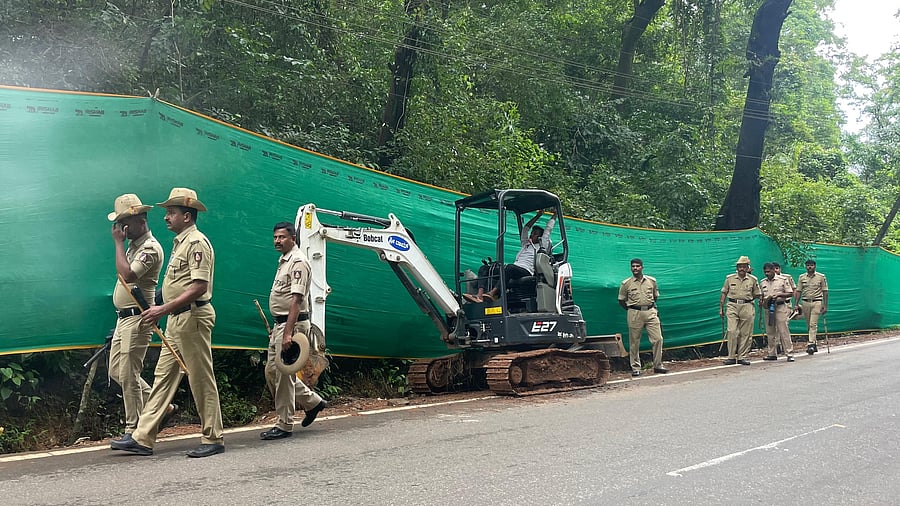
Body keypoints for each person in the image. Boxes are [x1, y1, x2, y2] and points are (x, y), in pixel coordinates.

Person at [111, 187, 224, 458]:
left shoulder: (196, 242)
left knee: (200, 378)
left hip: (192, 316)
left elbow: (199, 286)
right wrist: (166, 310)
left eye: (171, 213)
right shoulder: (180, 243)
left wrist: (162, 308)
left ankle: (213, 437)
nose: (165, 218)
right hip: (176, 318)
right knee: (162, 378)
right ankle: (143, 437)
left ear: (187, 216)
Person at [260, 222, 327, 440]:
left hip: (293, 325)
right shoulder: (284, 261)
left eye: (282, 237)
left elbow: (296, 301)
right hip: (281, 325)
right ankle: (313, 403)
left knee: (283, 375)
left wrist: (287, 333)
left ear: (293, 238)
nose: (277, 241)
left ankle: (284, 423)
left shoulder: (298, 262)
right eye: (275, 237)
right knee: (273, 371)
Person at [107, 194, 167, 438]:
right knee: (115, 371)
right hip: (124, 318)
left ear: (140, 220)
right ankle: (161, 409)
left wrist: (118, 244)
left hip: (138, 317)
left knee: (129, 373)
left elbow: (129, 276)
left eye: (125, 222)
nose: (121, 228)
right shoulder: (134, 247)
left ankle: (133, 429)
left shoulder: (150, 248)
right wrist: (123, 245)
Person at [464, 209, 556, 303]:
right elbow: (525, 229)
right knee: (485, 268)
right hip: (514, 269)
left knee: (509, 268)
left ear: (540, 237)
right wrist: (538, 216)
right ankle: (479, 296)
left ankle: (493, 293)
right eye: (532, 233)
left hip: (526, 271)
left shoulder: (541, 246)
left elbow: (548, 229)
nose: (532, 234)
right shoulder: (525, 245)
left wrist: (555, 214)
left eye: (535, 234)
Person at [617, 258, 667, 377]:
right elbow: (621, 300)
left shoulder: (651, 281)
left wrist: (650, 308)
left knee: (658, 339)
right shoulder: (626, 284)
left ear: (642, 267)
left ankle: (658, 365)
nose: (635, 268)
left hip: (650, 311)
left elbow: (655, 296)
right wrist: (632, 309)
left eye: (637, 266)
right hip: (634, 313)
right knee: (634, 342)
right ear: (631, 268)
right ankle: (635, 367)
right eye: (633, 266)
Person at [719, 256, 761, 365]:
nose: (742, 269)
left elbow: (758, 294)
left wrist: (757, 300)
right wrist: (721, 308)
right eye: (740, 266)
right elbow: (724, 292)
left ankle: (743, 356)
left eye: (744, 266)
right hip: (732, 305)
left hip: (747, 306)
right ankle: (731, 356)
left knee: (746, 333)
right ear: (737, 268)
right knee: (732, 331)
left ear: (748, 268)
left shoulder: (753, 280)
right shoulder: (729, 278)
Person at [759, 262, 795, 362]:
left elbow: (790, 293)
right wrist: (762, 301)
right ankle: (772, 353)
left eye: (769, 271)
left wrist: (779, 295)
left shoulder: (782, 280)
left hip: (780, 307)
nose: (767, 273)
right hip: (768, 309)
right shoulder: (762, 282)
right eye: (765, 272)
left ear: (774, 270)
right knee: (770, 332)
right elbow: (761, 296)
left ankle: (789, 353)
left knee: (783, 330)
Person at [794, 259, 828, 355]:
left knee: (813, 324)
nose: (810, 267)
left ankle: (810, 344)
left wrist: (825, 305)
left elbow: (825, 291)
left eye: (811, 265)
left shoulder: (821, 277)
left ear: (815, 266)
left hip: (817, 302)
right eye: (808, 265)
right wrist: (796, 304)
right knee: (809, 324)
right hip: (805, 302)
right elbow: (799, 291)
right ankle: (814, 343)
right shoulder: (802, 277)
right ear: (806, 266)